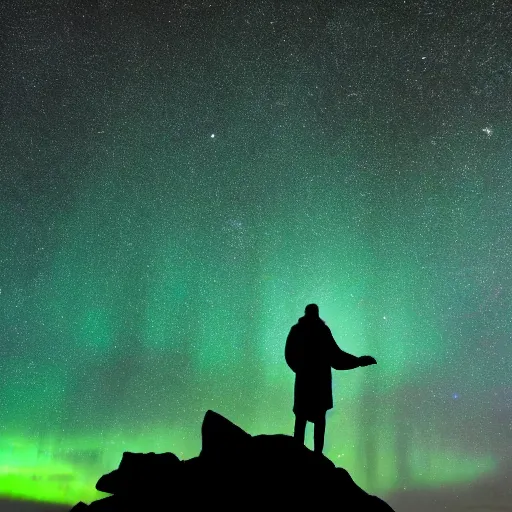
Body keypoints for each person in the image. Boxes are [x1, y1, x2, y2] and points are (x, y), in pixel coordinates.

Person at [285, 303, 377, 454]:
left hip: (308, 382)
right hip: (316, 382)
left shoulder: (301, 330)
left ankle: (306, 455)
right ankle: (313, 456)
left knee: (305, 418)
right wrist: (358, 361)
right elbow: (336, 357)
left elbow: (335, 356)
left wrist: (357, 361)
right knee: (313, 419)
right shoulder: (318, 331)